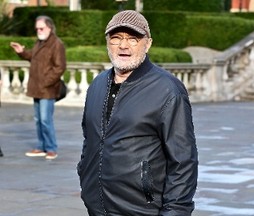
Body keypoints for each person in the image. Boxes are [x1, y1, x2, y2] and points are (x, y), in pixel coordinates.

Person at [77, 10, 198, 216]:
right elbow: (90, 140)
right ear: (107, 42)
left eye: (133, 39)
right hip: (96, 208)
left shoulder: (167, 90)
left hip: (142, 210)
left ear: (148, 44)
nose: (123, 46)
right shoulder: (97, 85)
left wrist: (175, 212)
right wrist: (85, 176)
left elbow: (183, 161)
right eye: (116, 38)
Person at [10, 15, 66, 160]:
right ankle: (42, 146)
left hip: (47, 89)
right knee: (38, 119)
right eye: (37, 29)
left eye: (41, 28)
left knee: (46, 119)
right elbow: (33, 57)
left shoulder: (56, 44)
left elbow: (60, 67)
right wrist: (21, 52)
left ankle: (51, 148)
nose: (39, 31)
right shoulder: (40, 43)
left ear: (50, 27)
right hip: (37, 88)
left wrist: (45, 82)